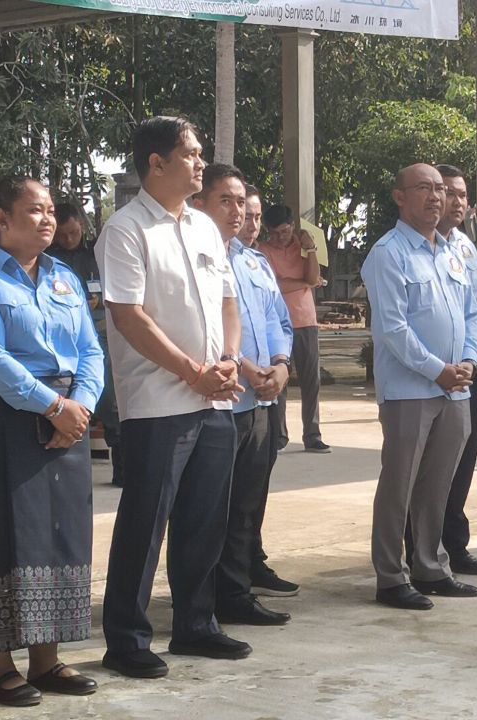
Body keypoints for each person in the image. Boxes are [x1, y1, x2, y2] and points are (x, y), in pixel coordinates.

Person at [97, 116, 249, 679]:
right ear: (156, 163)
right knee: (145, 523)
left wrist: (228, 360)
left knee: (205, 520)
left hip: (216, 399)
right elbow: (128, 316)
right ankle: (126, 639)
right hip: (159, 404)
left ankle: (195, 623)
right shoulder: (125, 230)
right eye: (190, 154)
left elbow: (228, 301)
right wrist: (193, 371)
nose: (200, 163)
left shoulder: (205, 228)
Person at [0, 177, 104, 705]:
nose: (48, 219)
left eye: (51, 210)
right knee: (0, 535)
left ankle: (46, 660)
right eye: (35, 210)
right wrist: (54, 407)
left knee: (58, 536)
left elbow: (91, 350)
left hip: (67, 419)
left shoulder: (64, 277)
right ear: (2, 219)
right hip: (5, 418)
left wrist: (80, 406)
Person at [361, 163, 477, 611]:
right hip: (410, 390)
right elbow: (392, 328)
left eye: (440, 190)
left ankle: (431, 566)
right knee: (400, 483)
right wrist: (437, 370)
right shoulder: (388, 253)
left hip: (456, 387)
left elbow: (470, 311)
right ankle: (391, 577)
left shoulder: (452, 251)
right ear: (399, 196)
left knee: (437, 485)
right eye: (424, 189)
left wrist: (468, 359)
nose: (436, 197)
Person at [191, 165, 297, 625]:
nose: (238, 213)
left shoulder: (254, 261)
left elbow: (278, 320)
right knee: (212, 505)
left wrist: (281, 365)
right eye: (227, 202)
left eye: (243, 204)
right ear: (200, 203)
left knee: (246, 503)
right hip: (223, 397)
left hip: (261, 401)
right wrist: (247, 367)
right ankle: (205, 596)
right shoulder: (198, 257)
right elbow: (200, 326)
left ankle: (236, 592)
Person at [408, 163, 477, 576]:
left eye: (463, 195)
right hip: (427, 375)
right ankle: (418, 548)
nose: (457, 202)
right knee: (424, 468)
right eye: (450, 193)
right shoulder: (410, 249)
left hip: (468, 369)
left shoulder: (464, 247)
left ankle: (453, 542)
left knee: (463, 458)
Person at [48, 201, 124, 487]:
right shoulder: (48, 259)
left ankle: (123, 470)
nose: (68, 239)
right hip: (65, 341)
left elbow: (118, 289)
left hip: (101, 336)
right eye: (62, 235)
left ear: (81, 225)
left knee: (112, 403)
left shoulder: (97, 254)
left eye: (73, 233)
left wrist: (98, 300)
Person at [258, 204, 329, 453]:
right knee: (280, 380)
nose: (280, 237)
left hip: (306, 321)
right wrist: (305, 283)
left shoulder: (304, 246)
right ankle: (279, 435)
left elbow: (313, 277)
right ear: (267, 230)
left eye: (285, 231)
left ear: (293, 227)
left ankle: (313, 435)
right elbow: (275, 286)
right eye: (275, 233)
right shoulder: (263, 251)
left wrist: (311, 249)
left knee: (311, 382)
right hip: (277, 324)